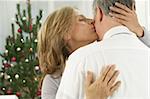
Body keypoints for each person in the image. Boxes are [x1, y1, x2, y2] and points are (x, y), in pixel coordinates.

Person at [56, 0, 150, 99]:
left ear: (99, 13)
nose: (91, 21)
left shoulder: (81, 59)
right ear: (134, 9)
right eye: (81, 20)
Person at [38, 7, 120, 99]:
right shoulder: (53, 82)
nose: (92, 21)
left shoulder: (103, 58)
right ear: (65, 33)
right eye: (81, 20)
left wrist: (138, 31)